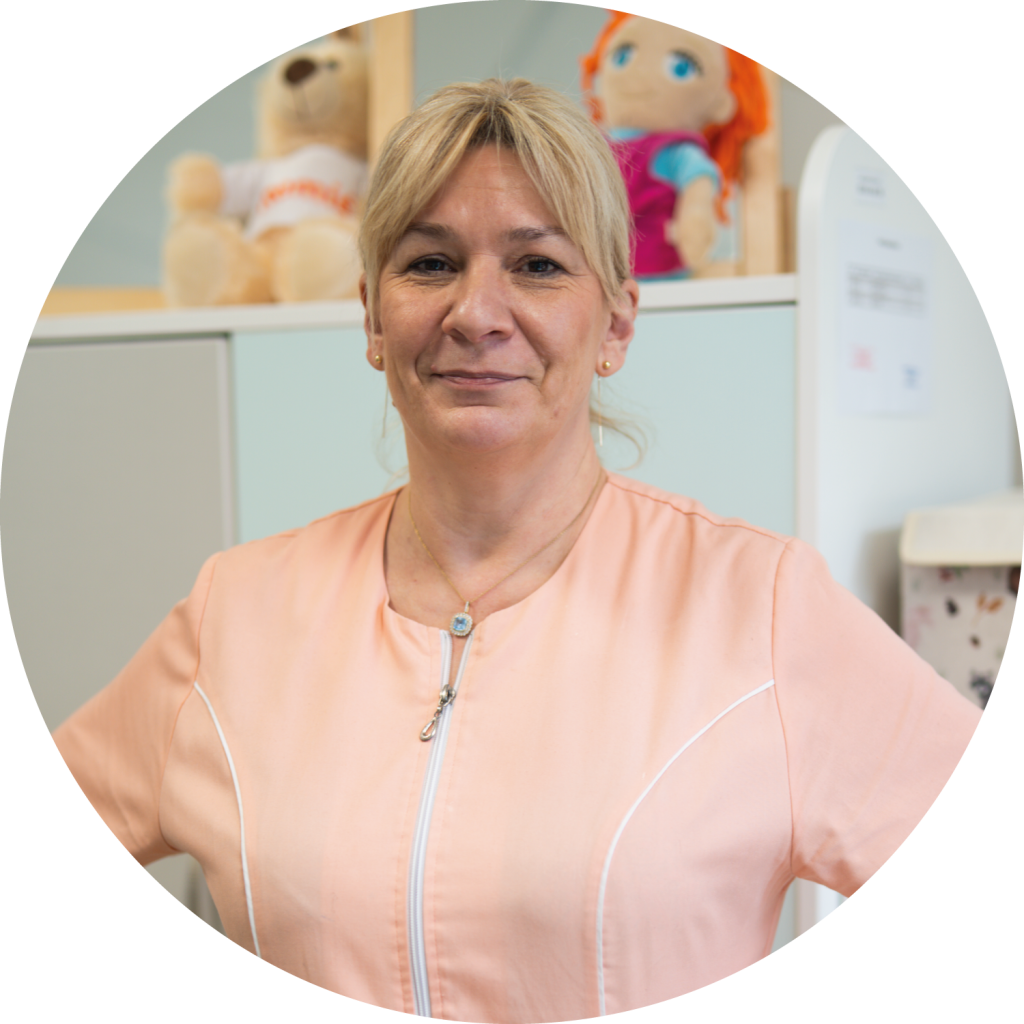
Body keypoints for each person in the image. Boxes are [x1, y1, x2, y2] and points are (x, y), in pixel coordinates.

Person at [52, 78, 982, 1019]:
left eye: (537, 266)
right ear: (372, 316)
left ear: (616, 322)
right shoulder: (239, 613)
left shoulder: (760, 607)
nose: (476, 312)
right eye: (430, 264)